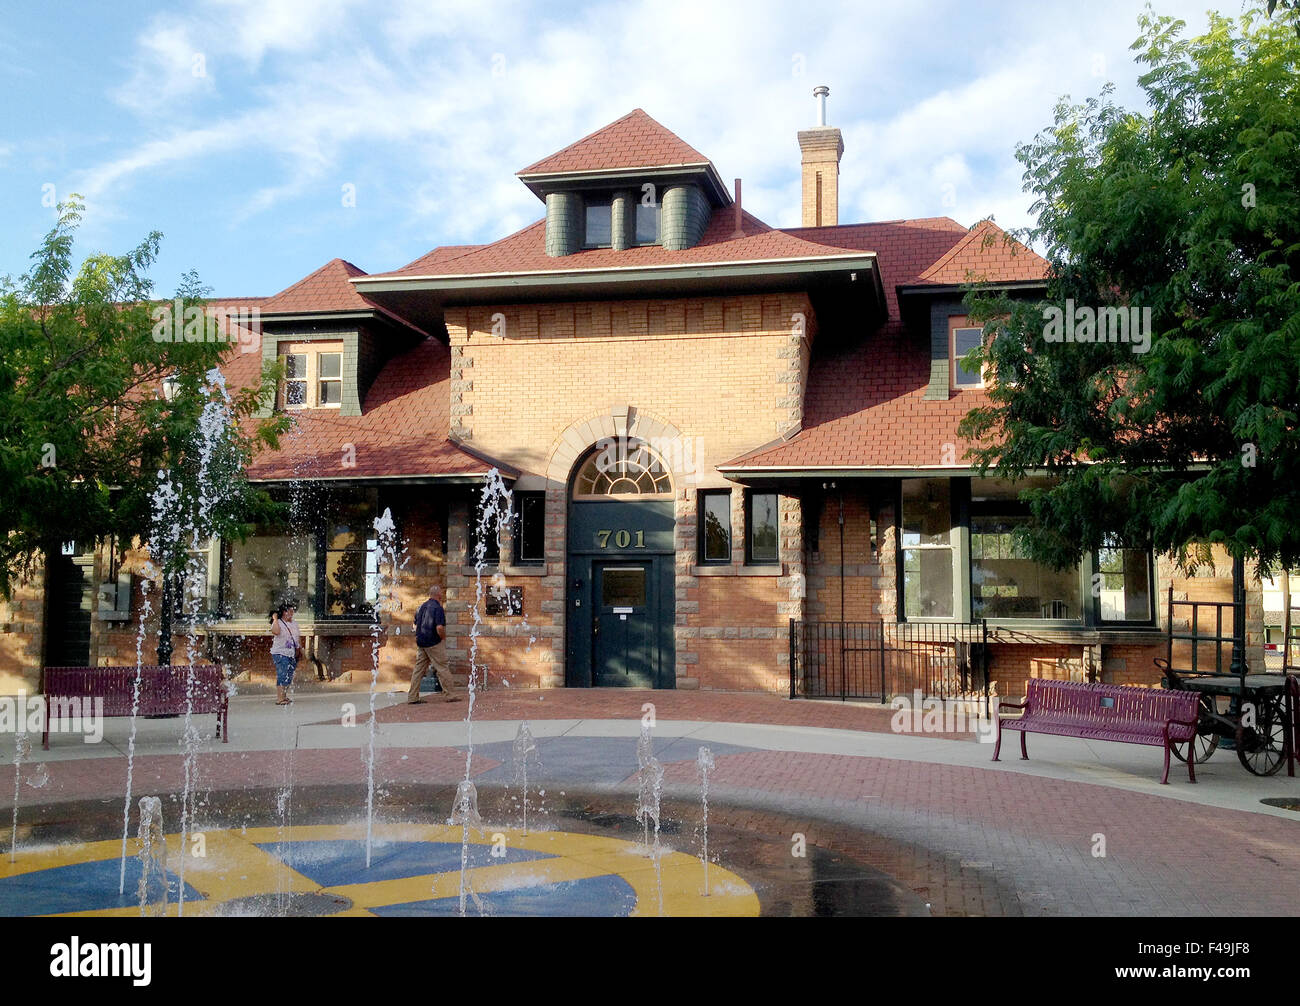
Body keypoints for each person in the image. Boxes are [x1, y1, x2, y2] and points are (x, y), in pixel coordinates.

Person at [409, 584, 460, 704]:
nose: (442, 595)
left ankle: (412, 697)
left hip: (421, 642)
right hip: (433, 642)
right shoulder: (438, 608)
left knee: (418, 670)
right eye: (441, 593)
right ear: (438, 595)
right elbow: (439, 627)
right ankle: (450, 695)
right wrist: (443, 638)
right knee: (442, 667)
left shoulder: (422, 606)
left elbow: (415, 624)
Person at [270, 603, 302, 705]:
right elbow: (275, 632)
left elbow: (297, 637)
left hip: (291, 653)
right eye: (290, 611)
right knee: (282, 674)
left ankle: (284, 696)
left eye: (293, 611)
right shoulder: (278, 622)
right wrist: (275, 619)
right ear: (284, 612)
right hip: (280, 652)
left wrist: (299, 649)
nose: (292, 613)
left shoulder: (294, 623)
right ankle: (279, 698)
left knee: (289, 675)